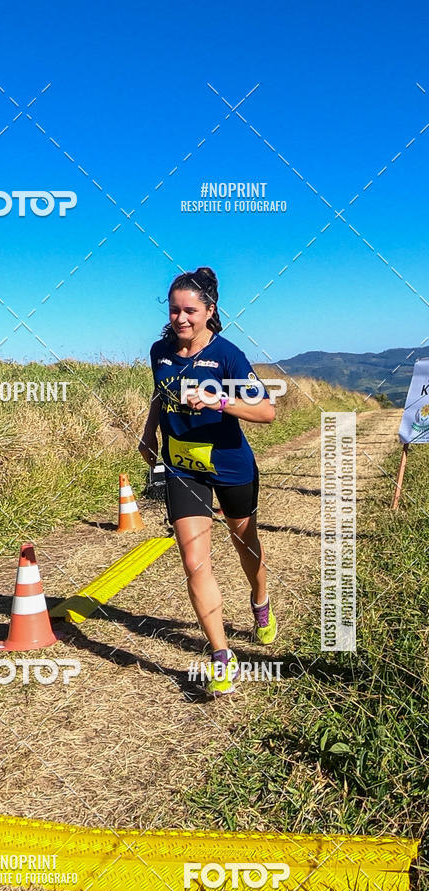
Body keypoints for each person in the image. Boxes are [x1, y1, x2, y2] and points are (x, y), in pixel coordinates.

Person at [139, 266, 277, 696]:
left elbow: (266, 411)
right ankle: (221, 655)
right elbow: (160, 393)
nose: (181, 318)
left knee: (244, 544)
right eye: (174, 310)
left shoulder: (228, 356)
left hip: (231, 465)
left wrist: (219, 400)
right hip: (182, 467)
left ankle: (260, 600)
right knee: (194, 562)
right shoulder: (160, 352)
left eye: (190, 311)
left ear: (210, 311)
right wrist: (149, 431)